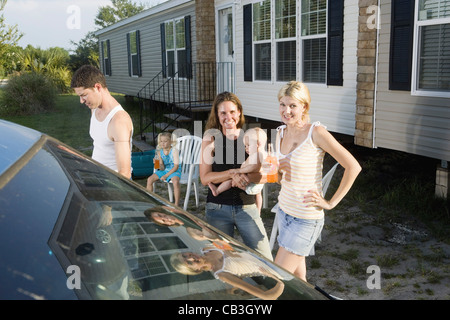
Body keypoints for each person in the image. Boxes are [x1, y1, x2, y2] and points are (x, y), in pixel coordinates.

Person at [266, 81, 362, 282]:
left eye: (293, 105)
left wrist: (330, 203)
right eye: (282, 104)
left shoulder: (316, 133)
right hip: (284, 213)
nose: (286, 111)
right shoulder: (279, 133)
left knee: (276, 278)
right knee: (299, 280)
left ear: (304, 107)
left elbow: (353, 167)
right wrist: (275, 173)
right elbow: (279, 179)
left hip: (305, 219)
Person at [199, 92, 273, 260]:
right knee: (220, 260)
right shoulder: (210, 138)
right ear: (217, 115)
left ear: (239, 112)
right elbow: (204, 178)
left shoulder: (252, 137)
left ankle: (264, 286)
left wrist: (246, 177)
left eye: (232, 112)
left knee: (265, 260)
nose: (228, 117)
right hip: (217, 208)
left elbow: (267, 175)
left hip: (246, 207)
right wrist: (232, 174)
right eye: (223, 113)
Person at [71, 65, 133, 179]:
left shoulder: (119, 120)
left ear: (98, 87)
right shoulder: (94, 109)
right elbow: (100, 148)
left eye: (84, 95)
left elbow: (125, 174)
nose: (81, 101)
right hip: (98, 177)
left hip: (114, 186)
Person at [170, 247, 285, 300]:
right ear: (196, 270)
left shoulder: (206, 249)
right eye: (188, 263)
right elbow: (267, 296)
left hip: (262, 253)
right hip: (276, 268)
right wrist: (280, 283)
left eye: (185, 255)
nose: (190, 258)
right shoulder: (221, 274)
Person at [208, 127, 267, 212]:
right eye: (245, 146)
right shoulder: (264, 154)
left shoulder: (258, 155)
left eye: (248, 145)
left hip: (249, 185)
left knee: (231, 180)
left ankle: (217, 190)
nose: (246, 148)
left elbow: (253, 167)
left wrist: (240, 171)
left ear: (258, 144)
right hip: (256, 186)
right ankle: (258, 210)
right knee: (258, 195)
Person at [146, 132, 181, 207]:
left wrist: (165, 176)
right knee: (149, 179)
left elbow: (176, 167)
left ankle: (176, 204)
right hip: (165, 170)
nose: (162, 143)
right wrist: (157, 163)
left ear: (171, 142)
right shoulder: (159, 152)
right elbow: (161, 168)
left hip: (174, 170)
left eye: (165, 141)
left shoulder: (175, 151)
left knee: (175, 181)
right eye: (161, 141)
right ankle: (149, 200)